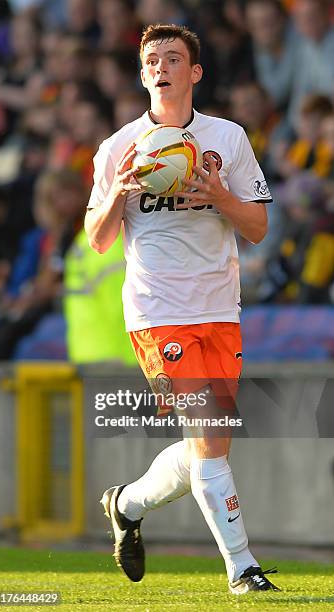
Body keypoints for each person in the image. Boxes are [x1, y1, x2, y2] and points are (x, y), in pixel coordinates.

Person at [85, 24, 280, 595]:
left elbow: (260, 227)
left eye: (174, 58)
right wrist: (120, 191)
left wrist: (221, 198)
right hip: (157, 310)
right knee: (209, 433)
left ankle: (127, 503)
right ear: (144, 74)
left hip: (220, 308)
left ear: (195, 73)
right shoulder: (117, 148)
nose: (162, 67)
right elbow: (98, 240)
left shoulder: (228, 138)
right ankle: (243, 569)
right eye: (152, 60)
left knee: (208, 444)